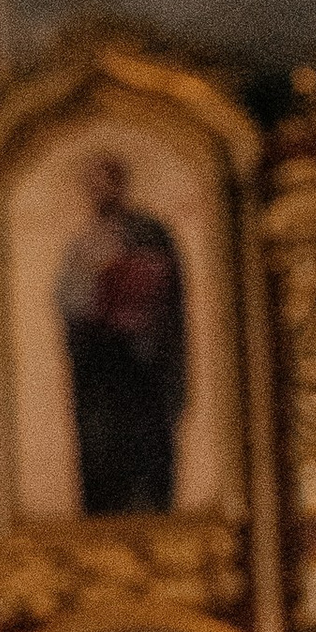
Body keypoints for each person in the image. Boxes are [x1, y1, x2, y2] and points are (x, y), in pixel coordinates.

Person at [58, 150, 187, 515]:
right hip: (99, 370)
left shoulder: (149, 232)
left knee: (146, 453)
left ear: (119, 185)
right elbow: (69, 302)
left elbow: (165, 295)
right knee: (102, 456)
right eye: (92, 184)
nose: (99, 191)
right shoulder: (81, 244)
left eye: (106, 181)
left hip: (143, 366)